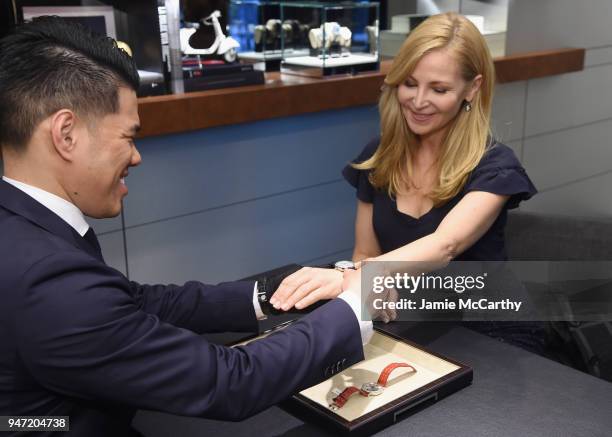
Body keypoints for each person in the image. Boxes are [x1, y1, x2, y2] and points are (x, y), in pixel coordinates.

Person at [0, 17, 379, 436]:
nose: (137, 157)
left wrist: (271, 296)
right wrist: (354, 304)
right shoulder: (49, 281)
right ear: (65, 134)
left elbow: (133, 303)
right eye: (128, 136)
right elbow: (231, 382)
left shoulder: (23, 227)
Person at [270, 13, 544, 352]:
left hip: (492, 332)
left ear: (472, 88)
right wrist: (367, 289)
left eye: (439, 89)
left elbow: (445, 246)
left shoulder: (495, 166)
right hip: (413, 320)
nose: (418, 101)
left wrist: (349, 278)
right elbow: (366, 253)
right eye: (410, 83)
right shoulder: (379, 156)